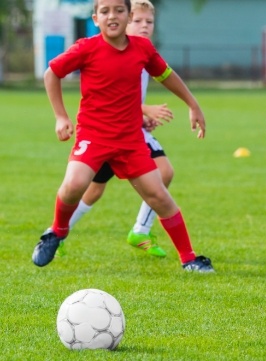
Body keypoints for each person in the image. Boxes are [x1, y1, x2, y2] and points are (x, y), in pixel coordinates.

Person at [32, 0, 214, 273]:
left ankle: (189, 259)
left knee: (160, 196)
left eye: (119, 10)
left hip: (130, 142)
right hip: (93, 137)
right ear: (95, 18)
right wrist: (61, 116)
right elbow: (52, 74)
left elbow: (166, 75)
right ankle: (56, 233)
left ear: (128, 15)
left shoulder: (142, 49)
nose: (112, 16)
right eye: (104, 11)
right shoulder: (86, 48)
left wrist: (193, 104)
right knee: (74, 185)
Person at [67, 0, 173, 258]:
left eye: (149, 22)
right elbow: (113, 100)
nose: (144, 26)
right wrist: (144, 110)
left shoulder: (143, 51)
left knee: (164, 172)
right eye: (138, 21)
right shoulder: (114, 51)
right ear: (126, 21)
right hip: (108, 134)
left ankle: (140, 230)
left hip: (132, 132)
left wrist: (141, 116)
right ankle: (57, 232)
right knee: (93, 190)